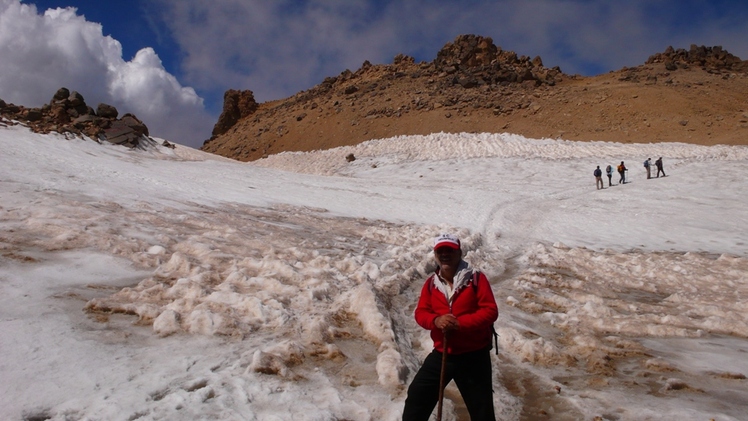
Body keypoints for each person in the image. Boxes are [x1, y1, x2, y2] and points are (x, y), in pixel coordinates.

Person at [403, 234, 499, 421]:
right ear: (435, 254)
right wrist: (436, 320)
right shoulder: (431, 283)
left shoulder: (475, 279)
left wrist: (460, 324)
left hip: (474, 356)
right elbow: (421, 312)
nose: (445, 254)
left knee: (482, 412)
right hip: (442, 354)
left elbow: (490, 311)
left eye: (450, 250)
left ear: (459, 253)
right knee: (417, 398)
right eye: (441, 251)